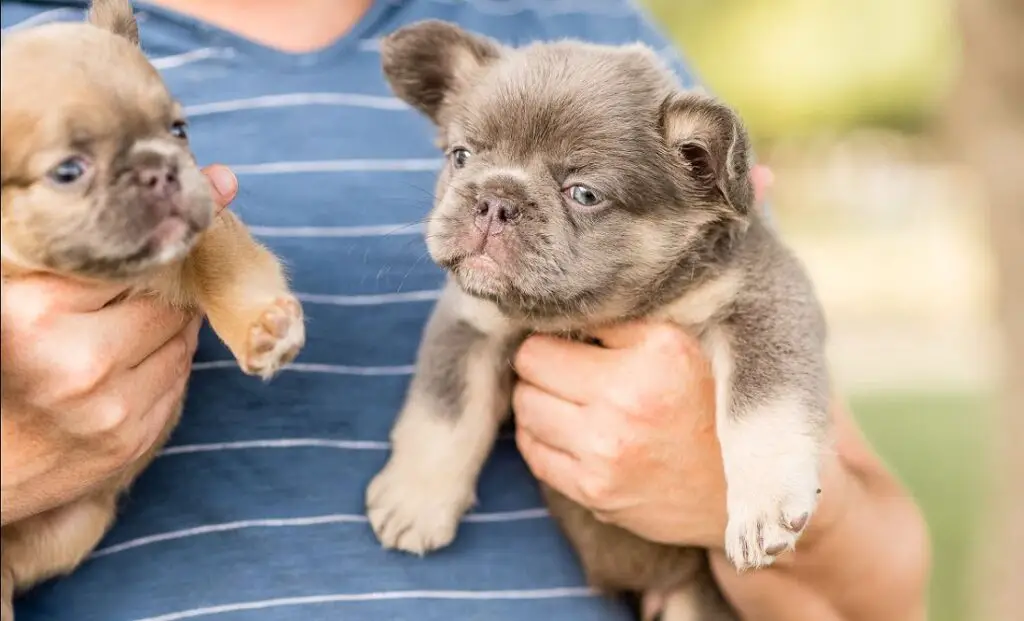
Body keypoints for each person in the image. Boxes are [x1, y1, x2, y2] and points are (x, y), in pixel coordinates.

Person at [0, 1, 930, 620]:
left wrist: (735, 482)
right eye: (461, 163)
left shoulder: (592, 26)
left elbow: (886, 588)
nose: (491, 211)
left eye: (582, 194)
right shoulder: (32, 61)